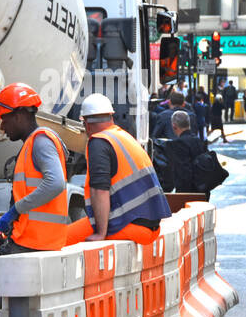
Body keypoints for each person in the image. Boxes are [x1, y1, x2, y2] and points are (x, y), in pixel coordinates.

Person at [65, 94, 172, 246]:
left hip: (130, 225)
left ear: (87, 124)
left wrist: (100, 233)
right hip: (148, 227)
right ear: (111, 118)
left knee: (61, 240)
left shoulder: (98, 141)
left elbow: (99, 190)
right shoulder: (123, 136)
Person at [0, 82, 69, 254]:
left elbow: (55, 183)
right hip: (33, 243)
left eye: (4, 120)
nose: (2, 127)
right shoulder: (32, 144)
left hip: (32, 245)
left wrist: (15, 211)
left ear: (19, 116)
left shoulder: (40, 142)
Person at [162, 110, 211, 199]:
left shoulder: (178, 144)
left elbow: (183, 172)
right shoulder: (198, 141)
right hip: (203, 190)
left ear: (174, 126)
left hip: (188, 193)